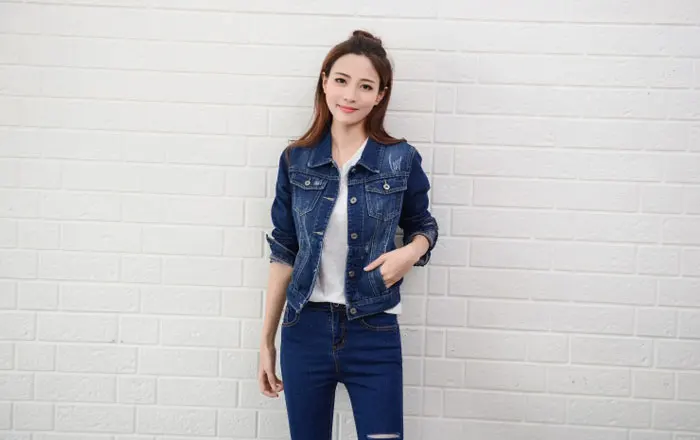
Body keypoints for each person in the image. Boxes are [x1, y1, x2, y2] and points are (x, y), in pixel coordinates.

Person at [258, 29, 439, 440]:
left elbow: (423, 225)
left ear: (380, 95)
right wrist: (266, 342)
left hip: (373, 331)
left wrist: (411, 251)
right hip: (304, 330)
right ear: (325, 82)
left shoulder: (400, 158)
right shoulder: (296, 160)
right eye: (341, 80)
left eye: (365, 86)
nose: (350, 95)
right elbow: (284, 250)